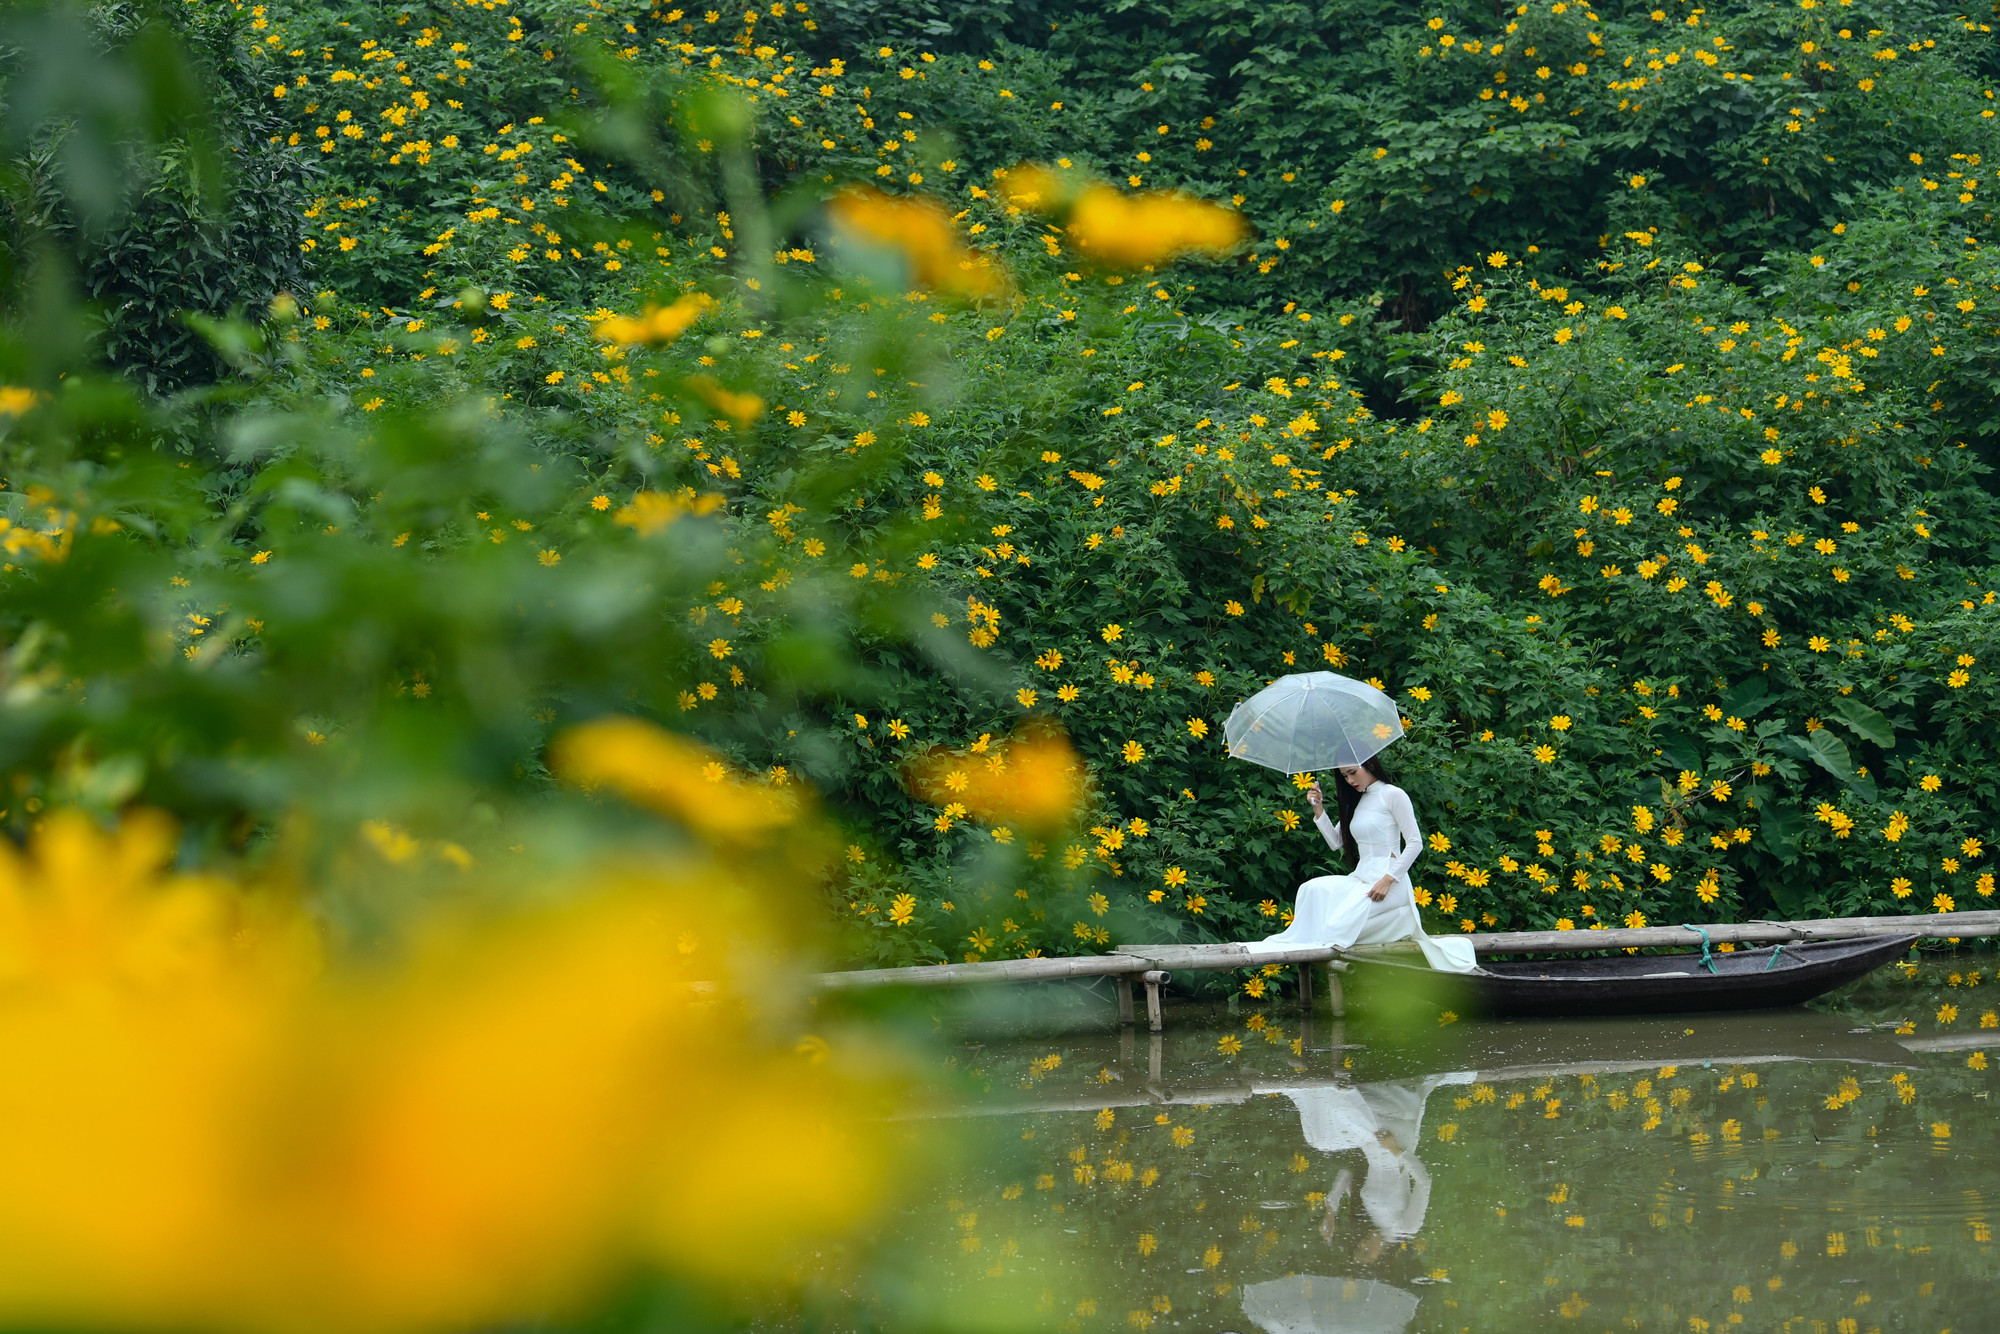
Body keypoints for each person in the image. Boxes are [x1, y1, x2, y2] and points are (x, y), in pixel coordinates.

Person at [1247, 757, 1476, 973]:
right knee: (1311, 889)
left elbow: (1415, 843)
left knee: (1337, 929)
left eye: (1352, 772)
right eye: (1344, 776)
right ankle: (1387, 921)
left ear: (1370, 765)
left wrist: (1388, 879)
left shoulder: (1392, 794)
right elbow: (1336, 842)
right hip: (1361, 879)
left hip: (1389, 884)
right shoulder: (1358, 800)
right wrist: (1319, 809)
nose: (1350, 780)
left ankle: (1402, 919)